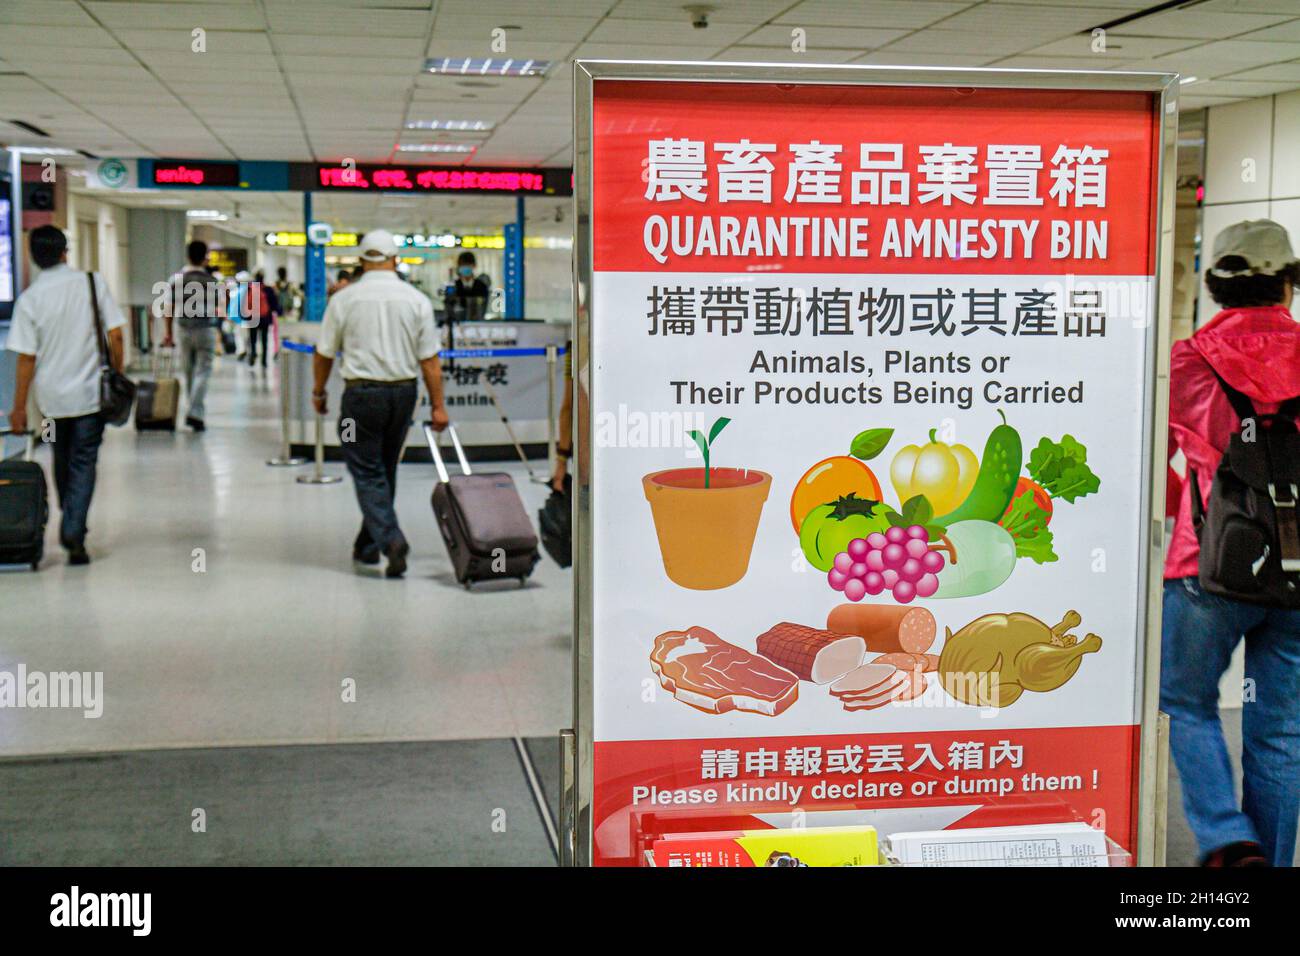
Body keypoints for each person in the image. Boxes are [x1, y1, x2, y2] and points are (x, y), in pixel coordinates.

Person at [1161, 219, 1300, 868]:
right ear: (1288, 287)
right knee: (1280, 734)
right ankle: (1265, 865)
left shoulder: (1186, 361)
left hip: (1207, 564)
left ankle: (1223, 835)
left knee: (1185, 702)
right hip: (1298, 571)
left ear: (1215, 287)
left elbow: (1158, 463)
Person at [312, 229, 450, 578]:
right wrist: (438, 406)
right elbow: (430, 361)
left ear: (361, 260)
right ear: (396, 259)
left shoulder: (344, 300)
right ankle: (367, 545)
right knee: (385, 466)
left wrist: (319, 391)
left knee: (364, 466)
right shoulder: (416, 300)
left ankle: (390, 539)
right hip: (403, 396)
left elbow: (324, 352)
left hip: (360, 398)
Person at [5, 225, 126, 564]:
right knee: (84, 461)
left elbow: (26, 359)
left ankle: (69, 512)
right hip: (90, 398)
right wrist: (118, 372)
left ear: (33, 257)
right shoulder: (91, 283)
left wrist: (18, 409)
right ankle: (74, 529)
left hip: (51, 406)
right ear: (64, 252)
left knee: (60, 456)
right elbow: (115, 335)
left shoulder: (30, 299)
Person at [160, 239, 223, 430]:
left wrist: (168, 333)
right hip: (205, 329)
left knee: (188, 371)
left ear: (187, 256)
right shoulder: (212, 281)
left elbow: (168, 309)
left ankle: (193, 411)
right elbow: (221, 307)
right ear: (205, 258)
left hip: (183, 329)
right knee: (203, 371)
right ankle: (195, 412)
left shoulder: (176, 279)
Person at [443, 251, 491, 322]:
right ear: (458, 267)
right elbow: (449, 308)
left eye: (468, 265)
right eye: (462, 265)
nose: (465, 267)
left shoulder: (482, 286)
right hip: (457, 325)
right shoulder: (452, 286)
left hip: (477, 325)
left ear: (474, 266)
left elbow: (483, 308)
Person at [246, 271, 280, 368]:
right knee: (264, 339)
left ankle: (253, 353)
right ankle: (264, 360)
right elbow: (274, 304)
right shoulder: (268, 289)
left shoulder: (250, 288)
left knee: (253, 338)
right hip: (265, 317)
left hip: (252, 317)